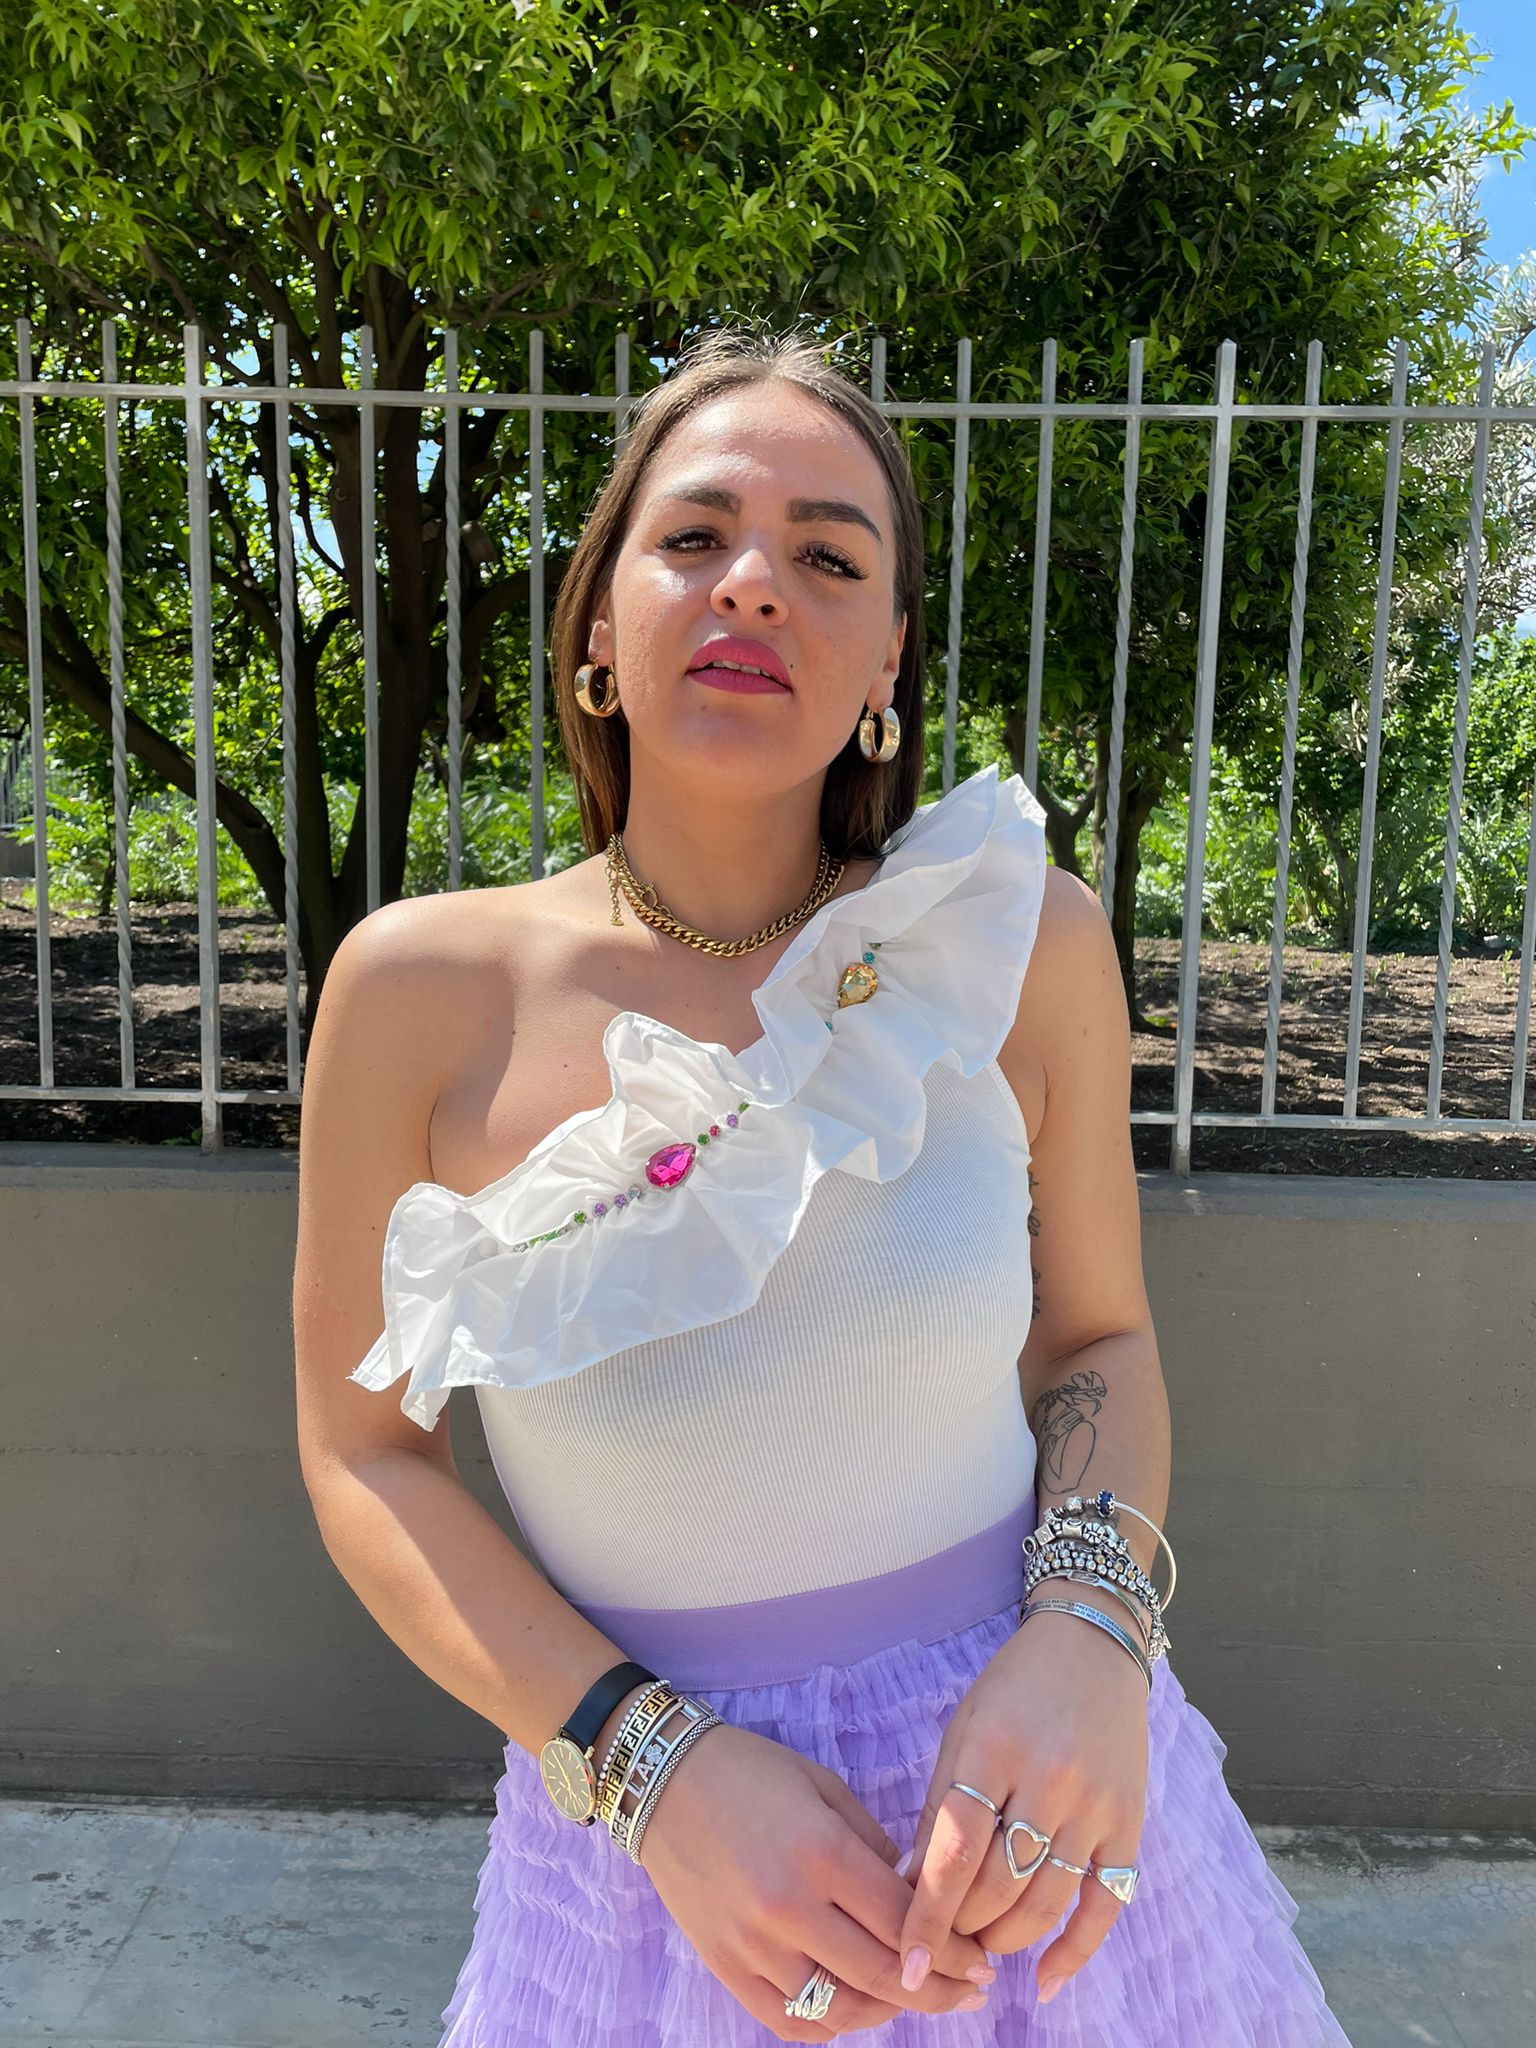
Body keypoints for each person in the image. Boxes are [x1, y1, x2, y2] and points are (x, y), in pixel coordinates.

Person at [293, 322, 1354, 2044]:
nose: (755, 584)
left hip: (1033, 1828)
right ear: (597, 623)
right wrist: (654, 1769)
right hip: (654, 1876)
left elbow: (1098, 1339)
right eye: (695, 536)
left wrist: (1094, 1637)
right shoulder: (418, 992)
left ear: (887, 659)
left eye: (829, 556)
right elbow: (364, 1456)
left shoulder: (1013, 942)